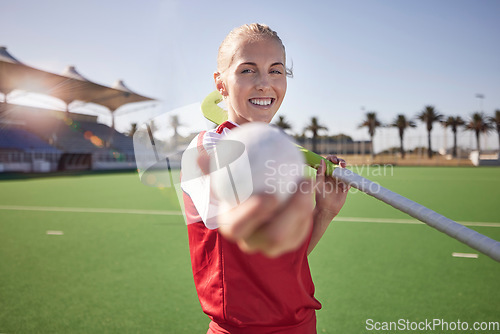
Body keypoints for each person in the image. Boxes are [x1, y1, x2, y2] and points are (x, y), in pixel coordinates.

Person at [181, 23, 349, 334]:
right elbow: (250, 231)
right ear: (220, 84)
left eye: (276, 70)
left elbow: (282, 260)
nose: (264, 83)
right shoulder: (206, 149)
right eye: (247, 71)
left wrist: (323, 212)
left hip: (302, 324)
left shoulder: (278, 152)